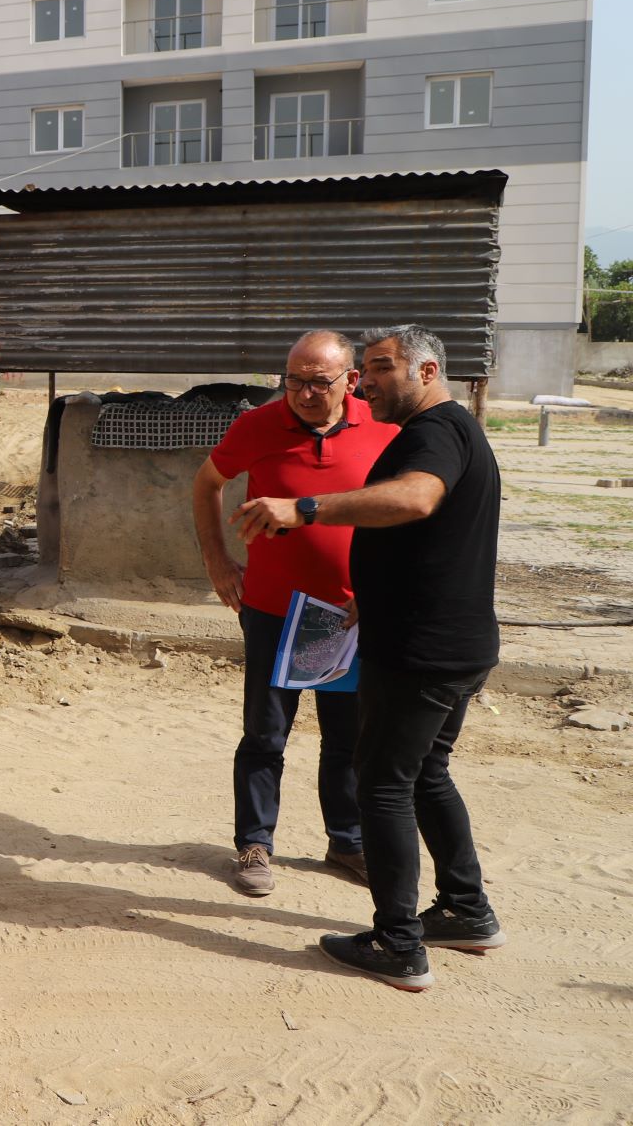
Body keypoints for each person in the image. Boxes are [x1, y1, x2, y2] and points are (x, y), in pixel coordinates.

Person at [231, 324, 505, 992]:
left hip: (419, 650)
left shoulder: (433, 432)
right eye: (369, 368)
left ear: (428, 372)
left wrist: (305, 508)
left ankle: (397, 943)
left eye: (383, 368)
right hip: (454, 642)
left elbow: (416, 498)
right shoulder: (451, 430)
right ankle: (466, 909)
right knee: (428, 773)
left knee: (382, 784)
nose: (370, 381)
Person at [193, 330, 396, 898]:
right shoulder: (257, 426)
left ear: (350, 381)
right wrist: (217, 561)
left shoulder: (386, 428)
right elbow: (207, 483)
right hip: (273, 611)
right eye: (294, 381)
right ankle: (254, 844)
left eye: (318, 382)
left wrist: (383, 587)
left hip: (350, 615)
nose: (304, 394)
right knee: (265, 735)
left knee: (348, 738)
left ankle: (347, 841)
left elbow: (404, 507)